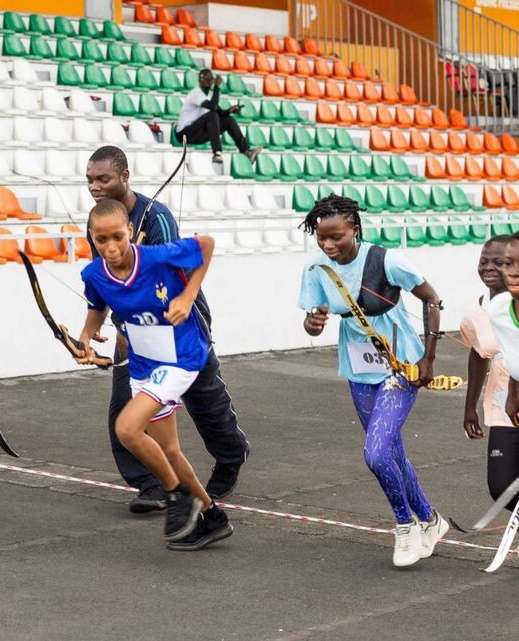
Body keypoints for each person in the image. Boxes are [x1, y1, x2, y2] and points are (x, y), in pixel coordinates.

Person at [85, 145, 250, 514]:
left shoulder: (156, 218)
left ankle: (230, 456)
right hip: (134, 330)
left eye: (104, 179)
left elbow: (169, 273)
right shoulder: (99, 221)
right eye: (90, 180)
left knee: (204, 398)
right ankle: (150, 481)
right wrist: (115, 325)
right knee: (123, 407)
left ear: (124, 177)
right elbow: (108, 279)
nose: (95, 186)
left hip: (178, 323)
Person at [298, 194, 448, 568]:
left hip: (402, 364)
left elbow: (431, 298)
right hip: (359, 368)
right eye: (322, 238)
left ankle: (404, 526)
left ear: (355, 228)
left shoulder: (386, 260)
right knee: (392, 452)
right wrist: (312, 325)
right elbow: (314, 319)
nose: (329, 245)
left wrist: (428, 358)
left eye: (337, 237)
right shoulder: (317, 269)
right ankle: (430, 520)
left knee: (376, 452)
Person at [77, 199, 232, 551]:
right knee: (169, 450)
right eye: (102, 240)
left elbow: (206, 244)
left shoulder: (159, 257)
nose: (112, 247)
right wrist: (86, 337)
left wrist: (188, 296)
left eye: (118, 236)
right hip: (144, 362)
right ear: (92, 238)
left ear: (130, 231)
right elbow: (96, 306)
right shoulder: (94, 274)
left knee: (127, 428)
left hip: (181, 357)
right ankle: (212, 517)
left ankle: (177, 496)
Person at [461, 237, 518, 509]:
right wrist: (470, 407)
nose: (489, 267)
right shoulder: (476, 312)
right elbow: (478, 353)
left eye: (500, 262)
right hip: (503, 408)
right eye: (484, 261)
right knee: (501, 487)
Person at [175, 69, 262, 165]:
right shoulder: (196, 93)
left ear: (212, 80)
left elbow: (220, 112)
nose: (206, 81)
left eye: (209, 79)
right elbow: (213, 107)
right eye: (203, 78)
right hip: (184, 134)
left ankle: (246, 151)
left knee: (228, 120)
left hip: (197, 134)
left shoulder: (207, 97)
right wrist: (216, 87)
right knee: (212, 115)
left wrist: (230, 111)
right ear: (200, 80)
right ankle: (217, 153)